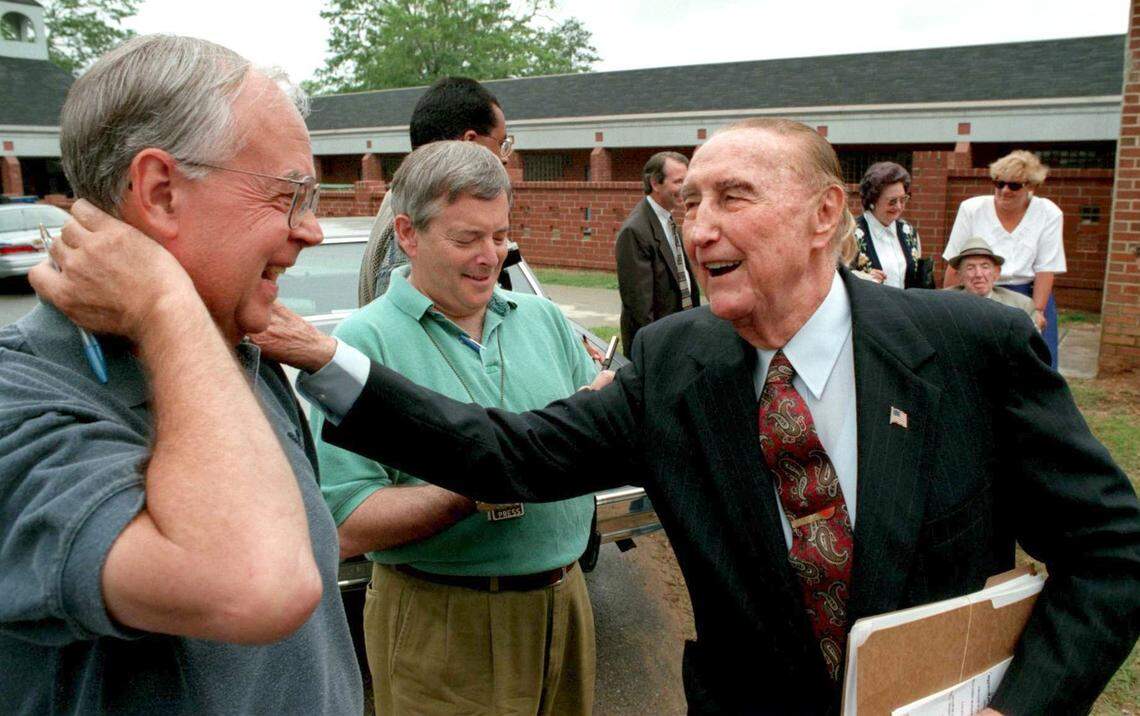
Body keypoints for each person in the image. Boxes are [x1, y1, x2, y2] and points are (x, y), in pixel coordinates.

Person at [68, 119, 1140, 714]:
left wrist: (1023, 710)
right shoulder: (676, 362)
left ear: (825, 216)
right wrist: (328, 359)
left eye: (733, 198)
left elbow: (1113, 553)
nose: (700, 226)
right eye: (691, 202)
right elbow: (512, 450)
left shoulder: (969, 349)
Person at [0, 35, 361, 714]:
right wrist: (164, 303)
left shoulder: (234, 356)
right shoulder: (18, 398)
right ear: (161, 193)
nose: (311, 230)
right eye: (290, 196)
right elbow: (260, 586)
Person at [303, 141, 602, 715]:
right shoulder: (363, 343)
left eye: (500, 236)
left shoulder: (543, 319)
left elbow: (593, 439)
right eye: (467, 239)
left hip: (567, 603)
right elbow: (346, 524)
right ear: (407, 234)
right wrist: (480, 486)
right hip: (442, 620)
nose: (490, 256)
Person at [358, 76, 512, 305]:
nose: (504, 158)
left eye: (498, 238)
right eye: (466, 238)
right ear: (469, 142)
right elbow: (403, 320)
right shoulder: (421, 219)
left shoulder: (407, 202)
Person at [942, 150, 1064, 367]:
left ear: (1031, 187)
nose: (1005, 190)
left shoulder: (1049, 213)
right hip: (979, 293)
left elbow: (1046, 268)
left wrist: (1037, 311)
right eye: (999, 183)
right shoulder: (972, 209)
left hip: (1026, 296)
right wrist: (947, 306)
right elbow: (955, 262)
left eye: (1014, 185)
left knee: (1036, 366)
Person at [615, 151, 700, 356]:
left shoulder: (668, 222)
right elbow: (640, 308)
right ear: (655, 182)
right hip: (658, 346)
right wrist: (659, 351)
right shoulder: (635, 231)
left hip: (681, 336)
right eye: (678, 181)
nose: (685, 188)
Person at [851, 161, 930, 289]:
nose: (898, 207)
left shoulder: (909, 232)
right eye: (892, 201)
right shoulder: (851, 233)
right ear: (873, 200)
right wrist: (863, 278)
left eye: (903, 199)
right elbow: (837, 275)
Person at [944, 236, 1041, 324]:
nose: (978, 274)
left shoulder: (1021, 306)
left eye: (985, 267)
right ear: (959, 275)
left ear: (996, 272)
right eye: (970, 268)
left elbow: (1030, 337)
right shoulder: (945, 304)